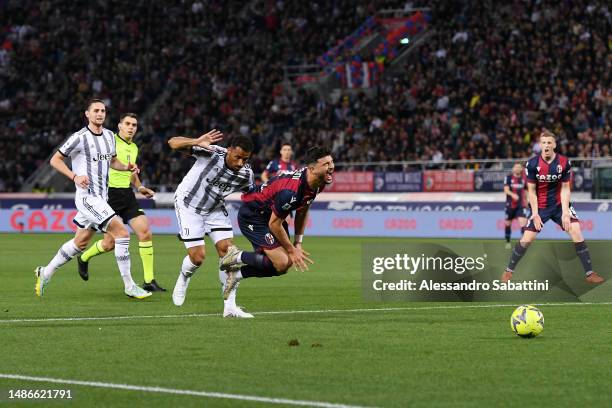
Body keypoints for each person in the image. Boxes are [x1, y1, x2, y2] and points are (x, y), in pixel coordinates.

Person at [35, 99, 151, 299]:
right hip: (87, 198)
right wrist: (75, 176)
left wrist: (127, 167)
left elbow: (112, 160)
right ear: (87, 114)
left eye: (103, 111)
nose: (100, 114)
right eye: (95, 110)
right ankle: (130, 285)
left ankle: (46, 272)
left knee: (79, 243)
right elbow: (55, 159)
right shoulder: (79, 137)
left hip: (102, 198)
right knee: (122, 233)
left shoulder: (108, 136)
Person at [219, 147, 335, 310]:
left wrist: (298, 243)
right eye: (326, 164)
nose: (331, 166)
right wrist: (291, 249)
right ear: (312, 168)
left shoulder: (318, 182)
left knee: (282, 266)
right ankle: (236, 256)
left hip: (270, 215)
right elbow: (274, 224)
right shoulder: (291, 191)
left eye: (332, 162)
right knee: (282, 262)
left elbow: (303, 210)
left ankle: (236, 274)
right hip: (254, 215)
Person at [168, 130, 255, 318]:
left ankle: (230, 307)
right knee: (198, 257)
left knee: (229, 254)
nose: (240, 163)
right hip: (189, 205)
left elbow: (253, 196)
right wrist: (197, 141)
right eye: (237, 157)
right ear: (229, 150)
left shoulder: (246, 175)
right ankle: (184, 277)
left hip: (215, 210)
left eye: (245, 159)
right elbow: (173, 142)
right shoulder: (212, 152)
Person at [76, 113, 165, 292]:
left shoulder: (134, 148)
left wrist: (140, 188)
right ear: (120, 126)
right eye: (128, 124)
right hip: (108, 195)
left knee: (145, 232)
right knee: (110, 244)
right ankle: (84, 257)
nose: (131, 127)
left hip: (127, 194)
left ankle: (149, 280)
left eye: (134, 125)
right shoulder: (109, 141)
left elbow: (132, 173)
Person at [501, 131, 605, 284]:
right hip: (541, 207)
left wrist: (564, 213)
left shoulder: (564, 162)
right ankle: (508, 272)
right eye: (543, 142)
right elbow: (531, 191)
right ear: (540, 145)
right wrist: (535, 213)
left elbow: (565, 189)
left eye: (549, 142)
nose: (546, 145)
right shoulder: (532, 164)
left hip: (559, 205)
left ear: (554, 145)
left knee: (576, 231)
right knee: (527, 238)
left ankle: (590, 274)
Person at [503, 162, 528, 249]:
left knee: (523, 223)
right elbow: (506, 190)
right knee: (507, 223)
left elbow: (525, 191)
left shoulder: (524, 179)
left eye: (519, 167)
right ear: (513, 169)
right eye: (516, 167)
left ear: (521, 169)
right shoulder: (508, 178)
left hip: (521, 205)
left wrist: (527, 201)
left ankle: (522, 244)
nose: (517, 168)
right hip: (510, 205)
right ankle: (508, 241)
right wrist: (513, 195)